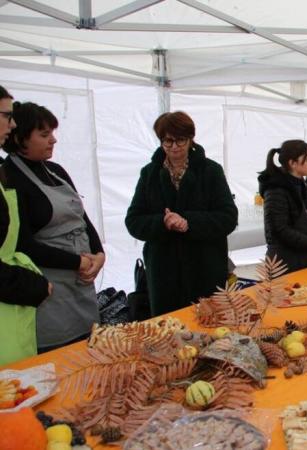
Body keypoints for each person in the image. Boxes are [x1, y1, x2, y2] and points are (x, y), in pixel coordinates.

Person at [3, 101, 103, 352]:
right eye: (44, 134)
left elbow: (82, 219)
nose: (53, 140)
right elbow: (22, 243)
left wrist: (99, 254)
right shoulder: (9, 177)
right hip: (51, 288)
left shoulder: (57, 170)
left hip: (82, 284)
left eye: (53, 133)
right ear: (20, 137)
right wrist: (76, 262)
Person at [125, 111, 238, 316]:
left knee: (210, 329)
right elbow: (133, 221)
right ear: (161, 141)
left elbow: (228, 217)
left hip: (205, 267)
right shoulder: (149, 173)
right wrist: (163, 222)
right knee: (169, 334)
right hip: (163, 271)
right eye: (168, 141)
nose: (175, 147)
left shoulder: (211, 171)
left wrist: (189, 222)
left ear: (191, 139)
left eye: (181, 140)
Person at [0, 86, 51, 364]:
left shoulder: (54, 170)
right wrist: (33, 285)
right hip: (14, 293)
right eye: (7, 115)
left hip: (13, 307)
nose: (13, 122)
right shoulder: (12, 174)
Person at [258, 139, 307, 272]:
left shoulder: (303, 185)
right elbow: (279, 229)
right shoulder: (275, 189)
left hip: (305, 258)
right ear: (292, 163)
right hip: (283, 264)